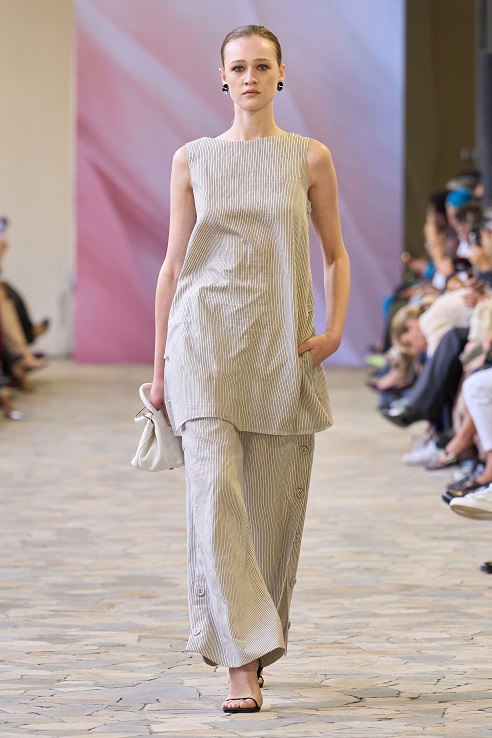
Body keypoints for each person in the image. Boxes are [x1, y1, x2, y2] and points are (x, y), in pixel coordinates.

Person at [148, 25, 350, 714]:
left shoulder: (309, 157)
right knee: (213, 498)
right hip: (201, 344)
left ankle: (256, 646)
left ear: (281, 74)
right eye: (238, 67)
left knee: (268, 509)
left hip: (277, 348)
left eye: (262, 66)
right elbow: (172, 266)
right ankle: (239, 662)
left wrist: (335, 331)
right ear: (222, 77)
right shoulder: (193, 159)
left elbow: (335, 254)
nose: (250, 77)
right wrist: (159, 370)